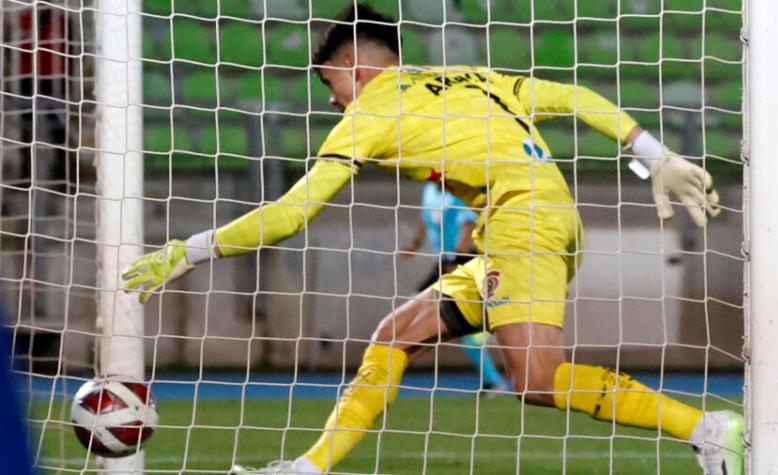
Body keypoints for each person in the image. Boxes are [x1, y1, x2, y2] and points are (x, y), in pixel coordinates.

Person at [122, 5, 742, 474]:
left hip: (522, 220)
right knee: (396, 334)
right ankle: (308, 468)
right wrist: (654, 155)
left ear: (352, 67)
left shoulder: (368, 112)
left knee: (537, 379)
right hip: (540, 219)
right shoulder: (469, 78)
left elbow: (291, 213)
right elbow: (575, 95)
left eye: (331, 90)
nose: (336, 106)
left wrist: (190, 250)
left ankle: (707, 428)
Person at [402, 182, 509, 393]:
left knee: (469, 334)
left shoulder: (457, 190)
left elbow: (468, 227)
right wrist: (415, 243)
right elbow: (425, 219)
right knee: (415, 306)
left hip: (463, 260)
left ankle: (494, 380)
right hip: (444, 260)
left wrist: (457, 257)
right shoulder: (429, 191)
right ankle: (492, 380)